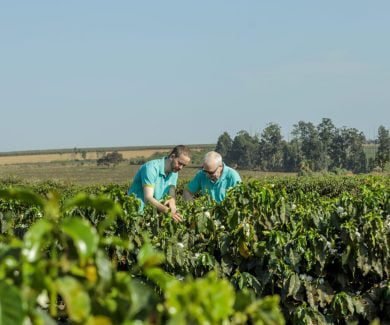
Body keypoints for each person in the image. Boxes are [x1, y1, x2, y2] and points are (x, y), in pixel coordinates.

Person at [128, 145, 191, 222]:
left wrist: (172, 203)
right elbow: (148, 198)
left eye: (183, 165)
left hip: (152, 213)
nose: (181, 168)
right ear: (172, 156)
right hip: (136, 212)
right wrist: (167, 211)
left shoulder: (174, 172)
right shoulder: (151, 168)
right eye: (180, 163)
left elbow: (171, 193)